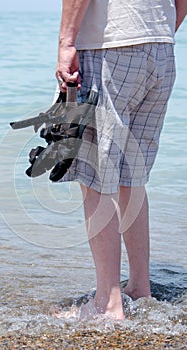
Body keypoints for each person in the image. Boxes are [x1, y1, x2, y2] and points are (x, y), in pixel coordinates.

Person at [55, 0, 187, 320]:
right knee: (132, 176)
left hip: (110, 44)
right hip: (161, 47)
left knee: (97, 177)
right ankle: (140, 288)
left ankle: (108, 302)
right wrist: (157, 34)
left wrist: (66, 42)